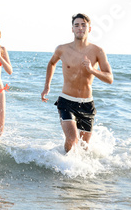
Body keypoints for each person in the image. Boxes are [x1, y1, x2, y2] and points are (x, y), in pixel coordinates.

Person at [41, 13, 113, 153]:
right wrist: (46, 86)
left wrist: (92, 70)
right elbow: (51, 63)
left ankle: (76, 172)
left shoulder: (97, 51)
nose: (80, 28)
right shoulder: (62, 49)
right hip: (66, 101)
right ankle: (63, 168)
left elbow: (110, 78)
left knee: (84, 147)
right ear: (72, 29)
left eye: (83, 25)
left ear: (89, 29)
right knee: (72, 139)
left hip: (87, 104)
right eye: (77, 25)